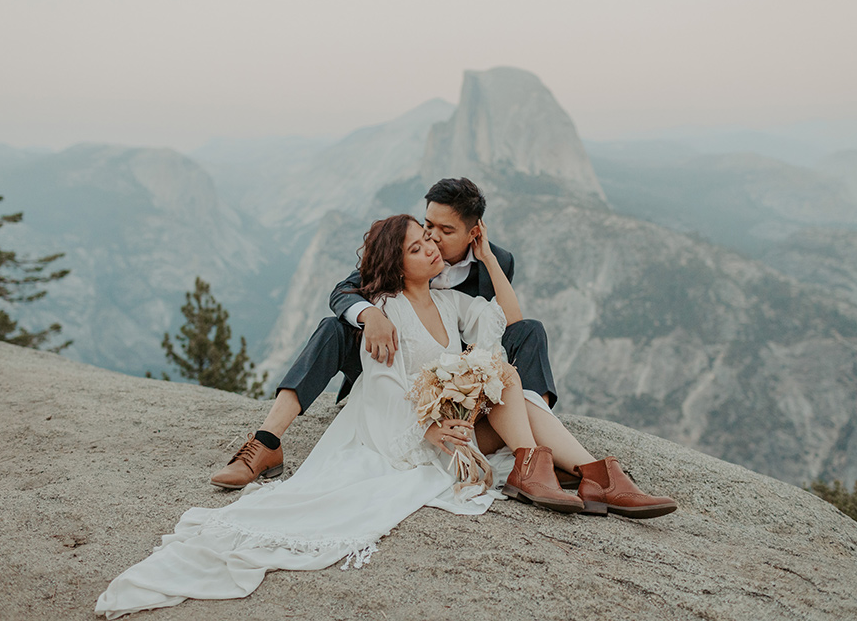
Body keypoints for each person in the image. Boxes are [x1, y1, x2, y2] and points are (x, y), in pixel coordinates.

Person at [95, 214, 676, 619]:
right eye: (421, 243)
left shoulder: (454, 300)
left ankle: (585, 473)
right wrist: (426, 424)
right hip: (413, 434)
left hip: (461, 419)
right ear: (395, 263)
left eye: (435, 238)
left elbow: (510, 322)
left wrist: (484, 257)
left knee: (502, 372)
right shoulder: (387, 311)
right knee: (507, 385)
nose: (433, 248)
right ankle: (584, 474)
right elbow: (383, 394)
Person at [210, 178, 559, 490]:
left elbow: (507, 322)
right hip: (385, 354)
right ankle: (266, 443)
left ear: (473, 233)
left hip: (451, 377)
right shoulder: (404, 246)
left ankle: (541, 452)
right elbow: (343, 291)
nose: (433, 238)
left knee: (530, 332)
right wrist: (370, 313)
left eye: (445, 231)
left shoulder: (496, 261)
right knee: (333, 328)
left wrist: (489, 260)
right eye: (428, 225)